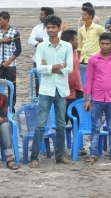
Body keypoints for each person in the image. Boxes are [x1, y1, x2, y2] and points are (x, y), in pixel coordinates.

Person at [29, 15, 74, 168]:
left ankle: (60, 156)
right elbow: (40, 68)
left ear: (59, 28)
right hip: (46, 90)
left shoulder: (67, 46)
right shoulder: (41, 46)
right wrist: (58, 66)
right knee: (40, 125)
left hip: (61, 90)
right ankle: (34, 157)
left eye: (53, 27)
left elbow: (69, 68)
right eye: (48, 27)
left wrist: (50, 67)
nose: (50, 30)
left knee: (61, 124)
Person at [84, 33, 111, 165]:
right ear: (99, 44)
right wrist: (86, 99)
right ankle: (93, 153)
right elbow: (89, 80)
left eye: (107, 44)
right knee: (95, 127)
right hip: (96, 98)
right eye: (102, 43)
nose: (105, 46)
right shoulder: (93, 60)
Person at [0, 11, 22, 113]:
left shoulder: (14, 32)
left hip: (10, 64)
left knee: (11, 86)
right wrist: (0, 41)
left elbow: (18, 50)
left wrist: (9, 61)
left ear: (6, 20)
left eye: (0, 19)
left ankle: (11, 107)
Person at [60, 30, 83, 127]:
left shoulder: (75, 53)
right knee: (62, 122)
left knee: (77, 122)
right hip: (65, 94)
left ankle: (77, 142)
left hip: (77, 91)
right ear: (70, 42)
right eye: (76, 40)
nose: (78, 42)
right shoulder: (61, 55)